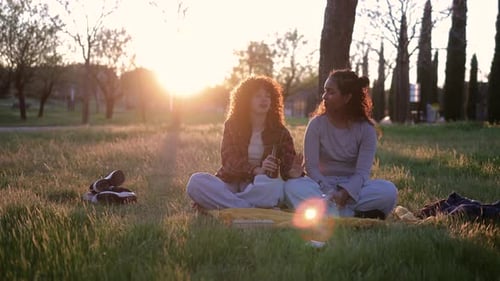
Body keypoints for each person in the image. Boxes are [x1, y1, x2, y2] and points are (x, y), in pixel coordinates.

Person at [284, 69, 397, 219]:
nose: (324, 96)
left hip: (352, 188)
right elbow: (311, 167)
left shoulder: (367, 129)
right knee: (292, 187)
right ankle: (349, 213)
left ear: (347, 98)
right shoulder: (316, 124)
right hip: (320, 185)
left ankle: (330, 212)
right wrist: (329, 191)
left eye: (331, 92)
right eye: (324, 91)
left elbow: (362, 173)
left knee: (388, 191)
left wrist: (345, 193)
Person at [186, 76, 304, 210]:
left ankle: (224, 205)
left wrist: (293, 173)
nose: (264, 99)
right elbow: (229, 160)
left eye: (268, 96)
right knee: (196, 182)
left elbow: (287, 168)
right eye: (258, 96)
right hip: (231, 181)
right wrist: (255, 169)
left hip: (258, 185)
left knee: (274, 189)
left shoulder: (281, 132)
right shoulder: (232, 126)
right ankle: (248, 209)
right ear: (246, 100)